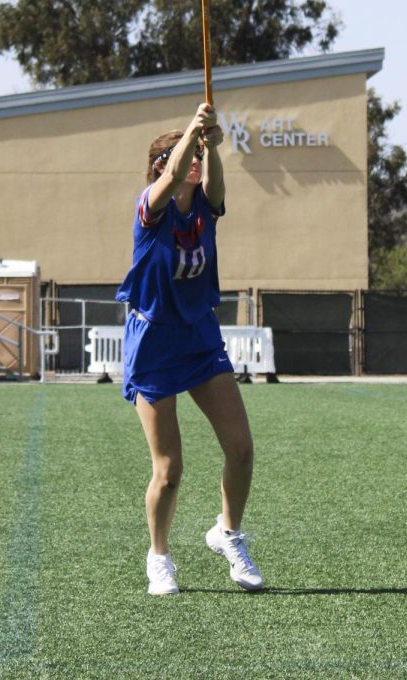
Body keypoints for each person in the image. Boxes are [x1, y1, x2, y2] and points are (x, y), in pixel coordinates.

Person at [115, 103, 263, 596]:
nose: (195, 162)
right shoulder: (150, 206)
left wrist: (215, 145)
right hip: (154, 341)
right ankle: (158, 557)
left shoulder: (204, 202)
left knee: (241, 449)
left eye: (198, 154)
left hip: (198, 335)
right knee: (170, 468)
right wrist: (192, 135)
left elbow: (216, 187)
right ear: (162, 164)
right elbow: (176, 169)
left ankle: (228, 534)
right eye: (190, 156)